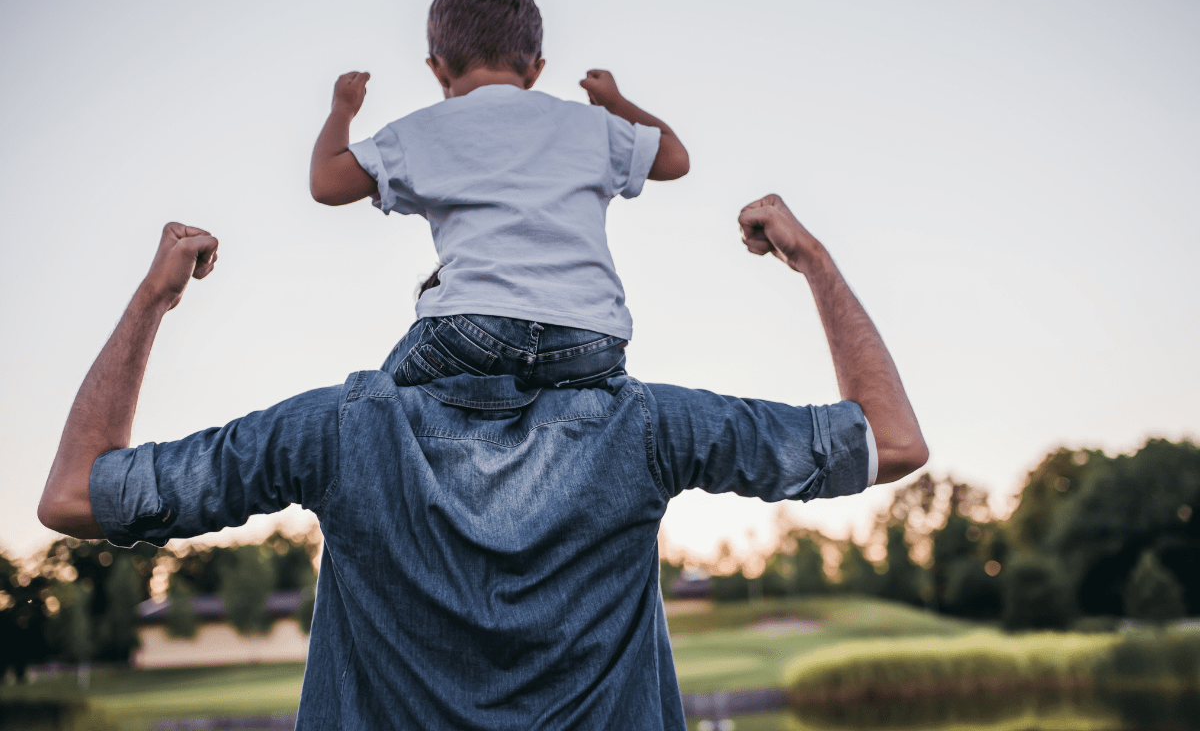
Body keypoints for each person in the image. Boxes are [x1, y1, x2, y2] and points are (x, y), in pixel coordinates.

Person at [38, 194, 928, 730]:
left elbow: (77, 495)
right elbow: (891, 442)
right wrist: (810, 260)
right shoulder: (646, 427)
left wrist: (155, 298)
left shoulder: (338, 432)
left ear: (428, 317)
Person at [308, 0, 690, 390]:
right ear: (536, 68)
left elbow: (326, 183)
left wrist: (342, 110)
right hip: (591, 339)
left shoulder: (422, 130)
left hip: (474, 330)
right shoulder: (590, 125)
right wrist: (615, 103)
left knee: (375, 402)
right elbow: (675, 158)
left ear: (437, 70)